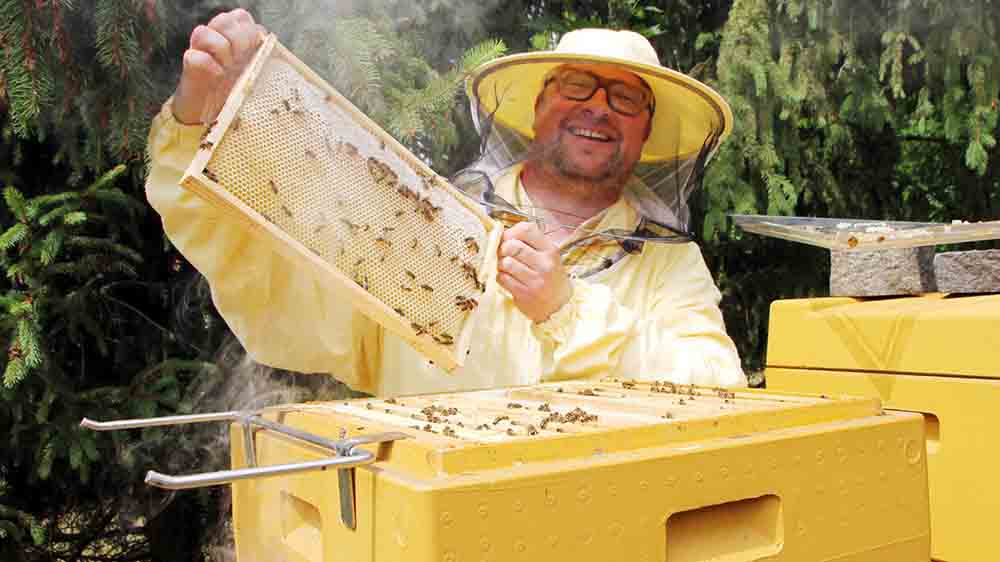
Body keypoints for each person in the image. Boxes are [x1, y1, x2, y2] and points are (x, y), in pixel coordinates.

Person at [145, 8, 746, 396]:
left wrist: (569, 311)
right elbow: (275, 279)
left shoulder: (669, 264)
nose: (598, 107)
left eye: (625, 99)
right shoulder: (428, 226)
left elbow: (720, 390)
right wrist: (201, 128)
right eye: (576, 86)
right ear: (537, 108)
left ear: (645, 134)